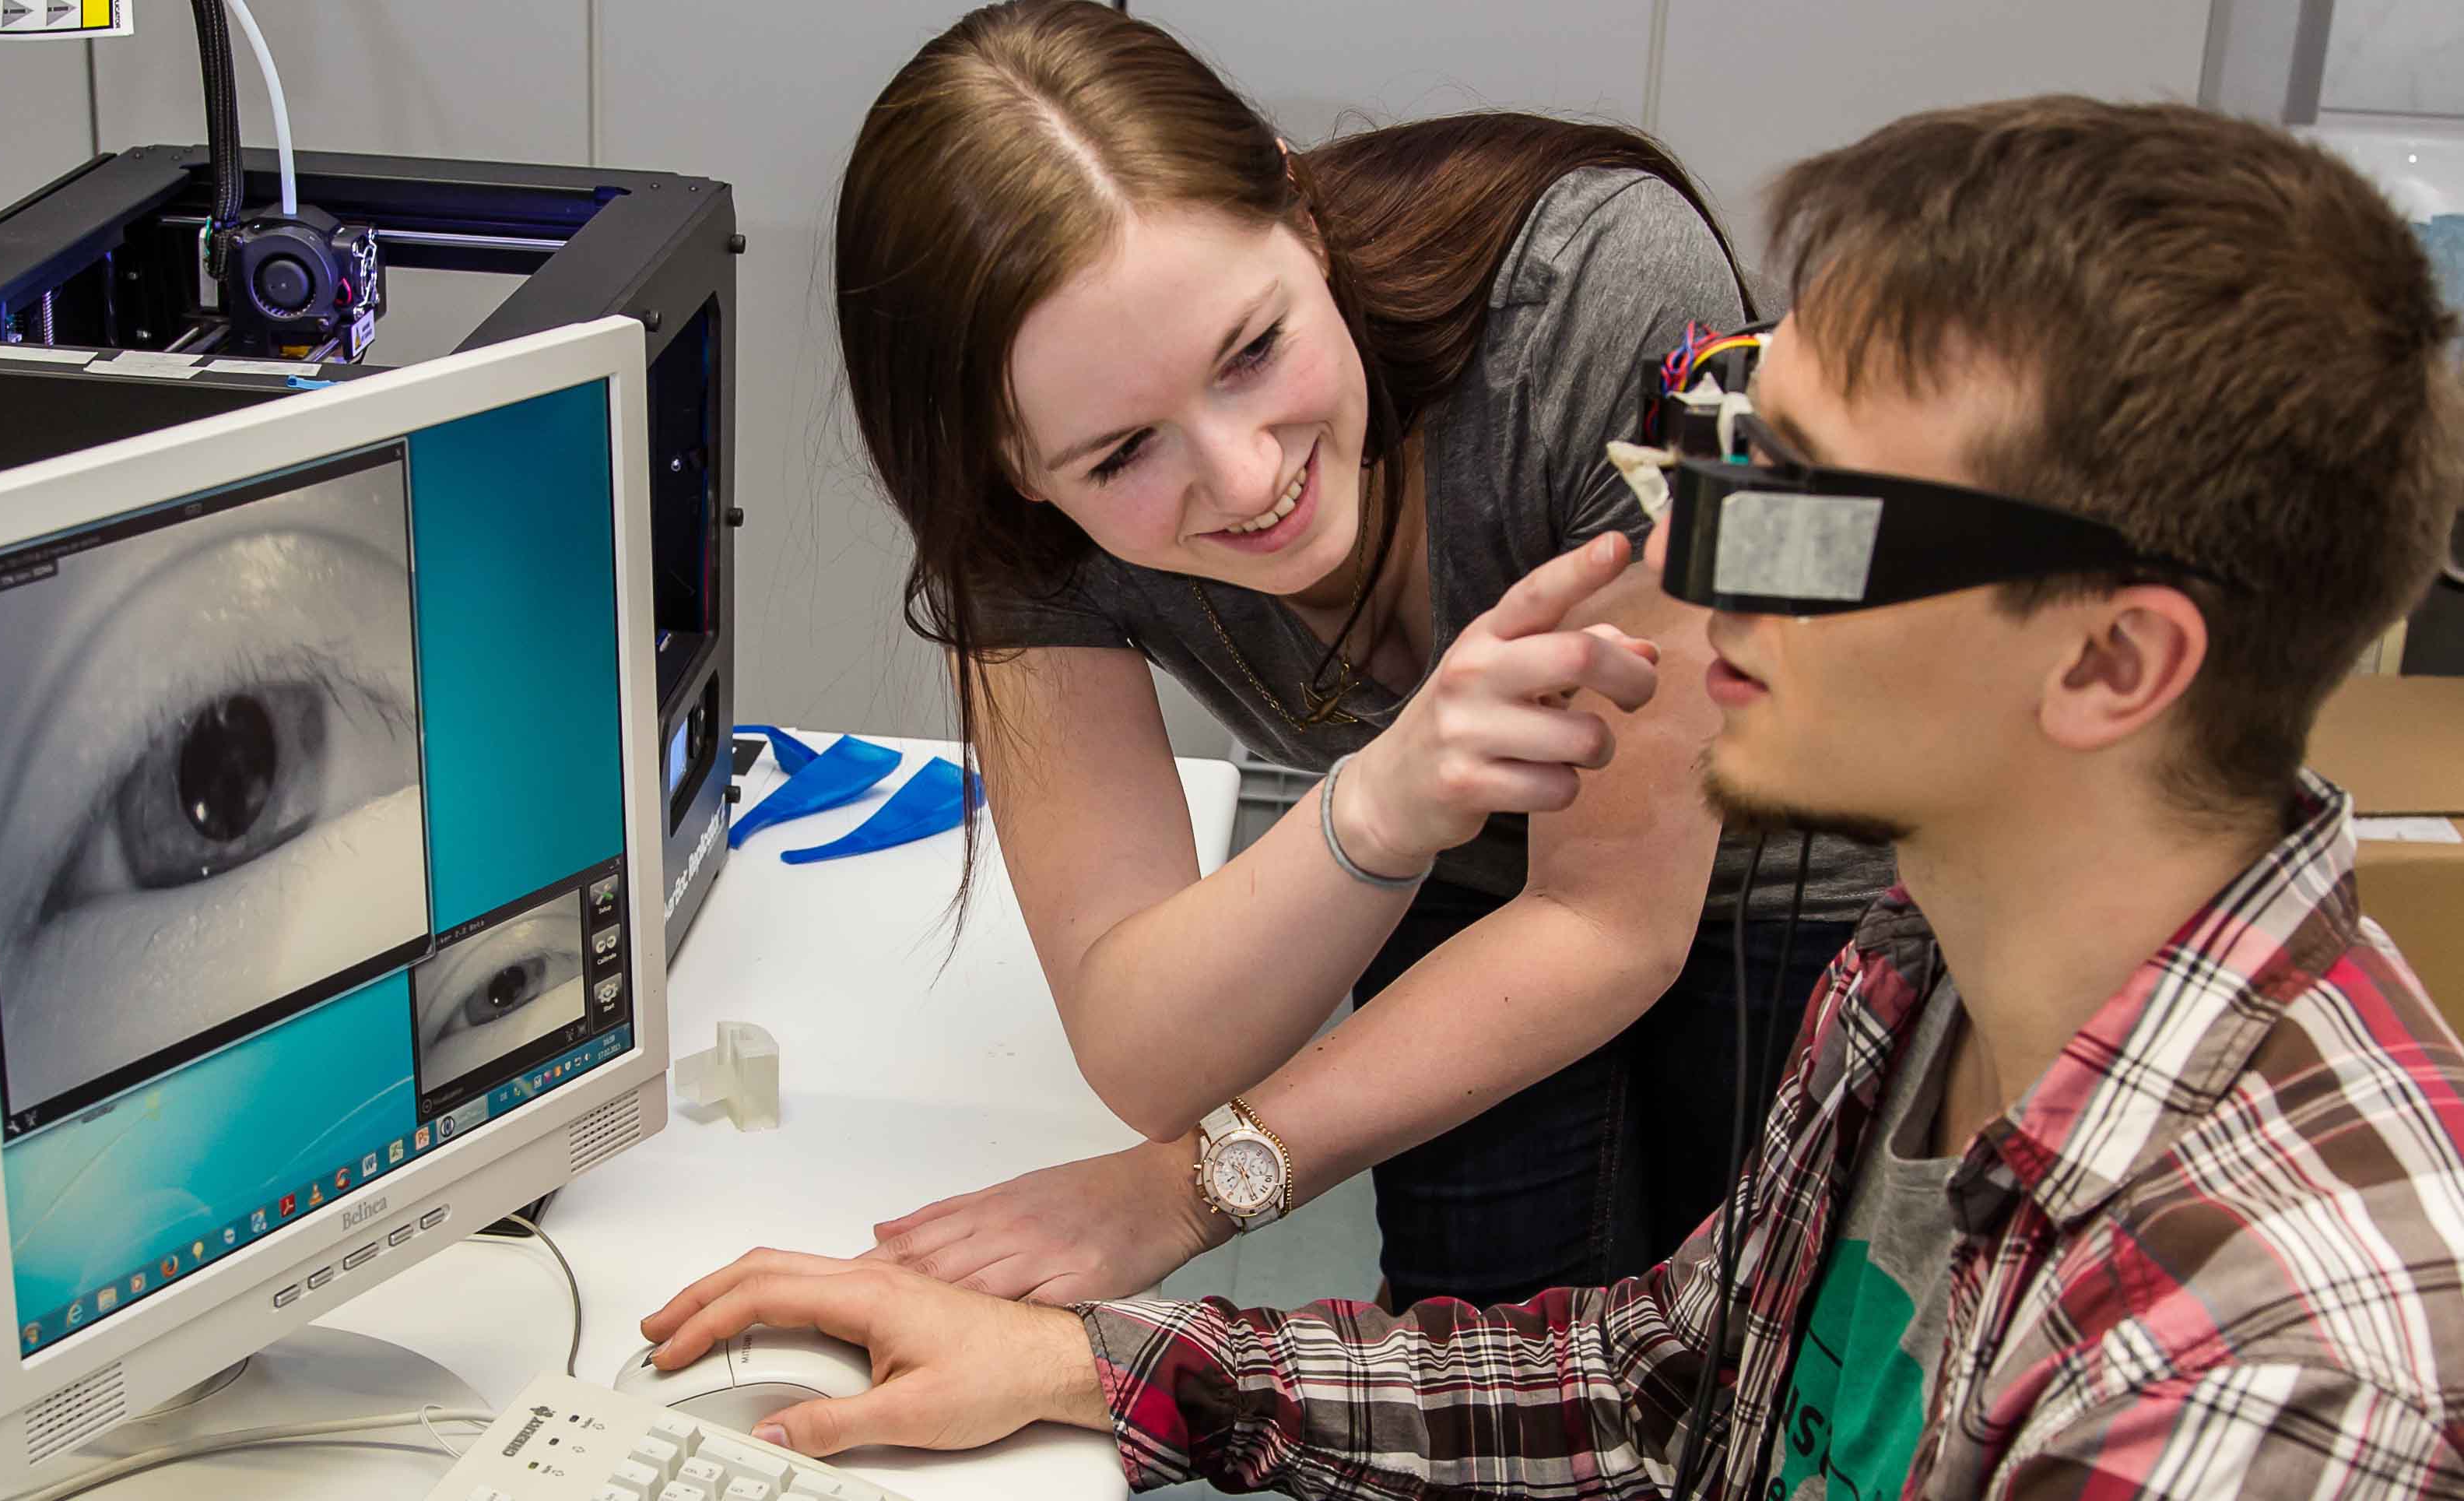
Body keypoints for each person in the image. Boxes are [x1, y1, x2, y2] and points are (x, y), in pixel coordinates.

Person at [642, 97, 2464, 1497]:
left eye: (1803, 495)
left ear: (2106, 665)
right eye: (1728, 424)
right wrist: (1087, 1366)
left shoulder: (2271, 1384)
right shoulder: (1925, 980)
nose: (1671, 538)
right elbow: (1664, 1378)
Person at [836, 0, 1886, 1314]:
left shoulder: (1594, 289)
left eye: (1255, 350)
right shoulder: (1009, 524)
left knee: (1753, 1359)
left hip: (1787, 856)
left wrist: (1178, 1195)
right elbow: (1147, 1049)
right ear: (1014, 469)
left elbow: (1615, 920)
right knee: (1474, 1341)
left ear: (1302, 208)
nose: (1247, 475)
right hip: (1465, 841)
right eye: (1119, 455)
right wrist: (1381, 803)